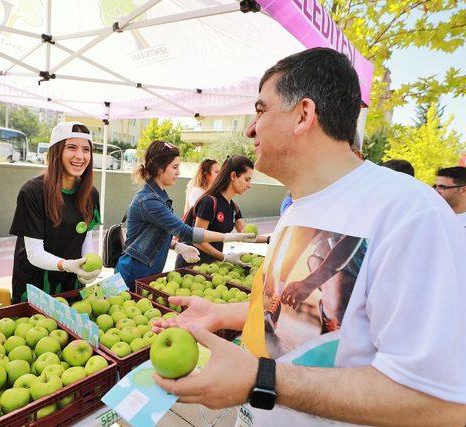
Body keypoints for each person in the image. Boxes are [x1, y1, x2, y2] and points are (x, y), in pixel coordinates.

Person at [152, 48, 466, 425]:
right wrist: (221, 314)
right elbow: (290, 317)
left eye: (261, 110)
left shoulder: (410, 213)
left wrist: (262, 380)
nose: (250, 128)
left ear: (303, 114)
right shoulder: (298, 206)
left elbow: (441, 402)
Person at [115, 140, 258, 290]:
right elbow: (184, 231)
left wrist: (176, 245)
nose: (178, 172)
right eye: (174, 167)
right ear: (159, 168)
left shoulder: (160, 197)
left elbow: (153, 233)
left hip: (146, 273)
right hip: (130, 274)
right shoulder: (149, 200)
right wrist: (229, 237)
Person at [9, 122, 102, 303]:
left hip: (71, 285)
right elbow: (34, 253)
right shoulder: (32, 191)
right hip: (35, 287)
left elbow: (86, 239)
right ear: (56, 151)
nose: (80, 156)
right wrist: (67, 265)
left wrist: (87, 266)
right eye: (72, 148)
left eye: (86, 149)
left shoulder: (91, 194)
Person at [175, 155, 255, 269]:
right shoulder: (209, 202)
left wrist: (270, 239)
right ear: (233, 176)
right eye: (247, 179)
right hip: (191, 265)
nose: (249, 185)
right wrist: (224, 257)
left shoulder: (233, 207)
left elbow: (247, 235)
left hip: (212, 267)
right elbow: (197, 240)